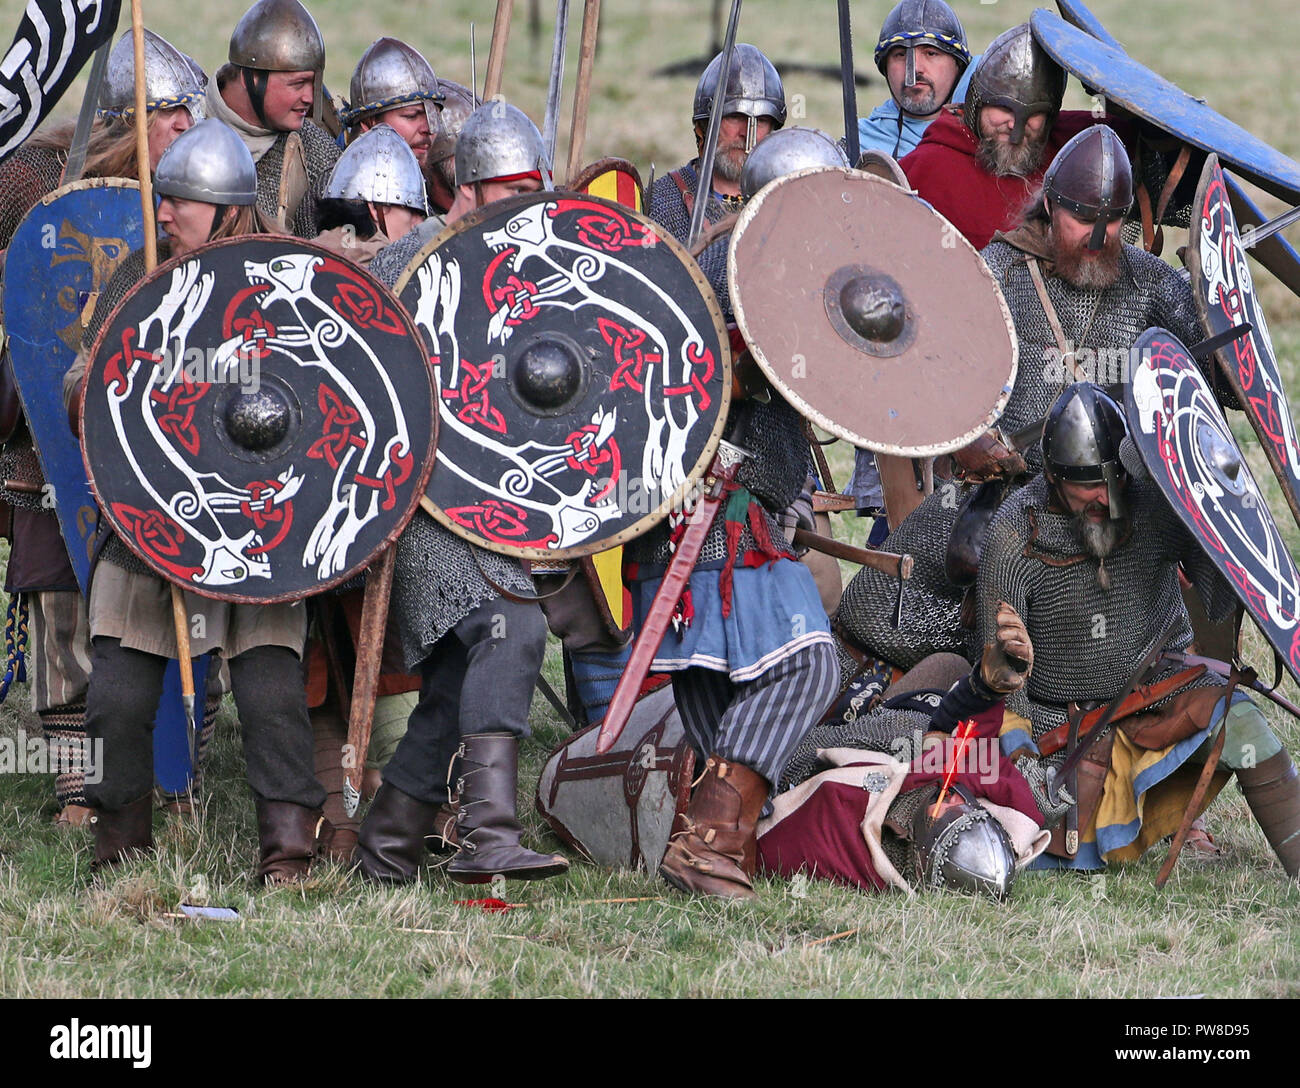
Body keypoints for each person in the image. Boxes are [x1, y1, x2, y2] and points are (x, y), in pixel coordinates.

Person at [61, 119, 329, 884]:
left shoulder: (285, 282)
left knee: (272, 691)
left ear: (223, 208)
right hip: (150, 519)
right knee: (115, 695)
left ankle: (287, 854)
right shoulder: (138, 278)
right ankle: (120, 852)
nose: (164, 213)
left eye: (177, 200)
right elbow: (86, 384)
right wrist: (95, 384)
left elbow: (323, 403)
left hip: (263, 524)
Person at [0, 27, 212, 827]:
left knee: (162, 615)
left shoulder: (188, 191)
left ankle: (168, 772)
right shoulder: (30, 181)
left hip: (160, 447)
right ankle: (74, 787)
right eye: (174, 117)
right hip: (48, 441)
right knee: (61, 612)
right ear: (130, 117)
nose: (188, 132)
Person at [357, 102, 568, 886]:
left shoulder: (533, 271)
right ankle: (488, 835)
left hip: (502, 503)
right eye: (505, 194)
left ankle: (386, 850)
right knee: (508, 632)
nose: (518, 211)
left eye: (530, 194)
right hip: (426, 510)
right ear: (466, 191)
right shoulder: (403, 266)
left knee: (452, 690)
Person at [976, 383, 1300, 877]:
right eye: (1090, 485)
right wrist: (1021, 763)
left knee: (1245, 723)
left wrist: (1215, 522)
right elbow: (1001, 679)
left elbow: (1216, 599)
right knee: (1018, 826)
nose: (1107, 497)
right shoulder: (1014, 534)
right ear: (1053, 477)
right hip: (1062, 730)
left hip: (1162, 697)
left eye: (1115, 481)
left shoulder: (1153, 501)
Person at [901, 22, 1111, 249]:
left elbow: (1139, 134)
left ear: (1050, 117)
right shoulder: (927, 166)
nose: (1014, 125)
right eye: (1003, 108)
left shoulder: (1067, 151)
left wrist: (1108, 88)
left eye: (1034, 113)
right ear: (977, 103)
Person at [205, 0, 341, 238]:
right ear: (255, 78)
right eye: (298, 84)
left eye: (312, 83)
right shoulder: (185, 126)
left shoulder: (317, 152)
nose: (309, 97)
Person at [647, 43, 785, 248]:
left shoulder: (784, 200)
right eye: (736, 117)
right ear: (704, 126)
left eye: (761, 121)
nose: (746, 133)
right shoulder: (664, 202)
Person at [858, 0, 972, 160]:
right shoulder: (858, 144)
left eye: (931, 53)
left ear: (958, 66)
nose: (916, 68)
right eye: (900, 55)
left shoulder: (985, 138)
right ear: (885, 68)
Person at [314, 122, 428, 265]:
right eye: (413, 211)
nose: (419, 223)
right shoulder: (385, 264)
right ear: (374, 209)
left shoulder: (305, 253)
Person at [340, 37, 443, 168]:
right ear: (369, 122)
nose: (428, 129)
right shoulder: (350, 185)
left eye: (433, 115)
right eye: (411, 116)